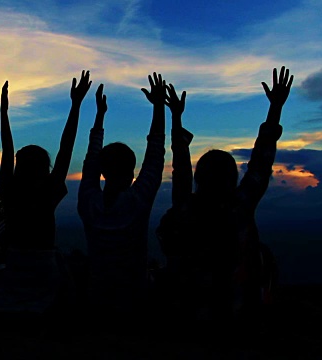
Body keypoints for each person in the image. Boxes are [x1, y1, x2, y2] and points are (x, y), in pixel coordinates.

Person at [156, 66, 293, 335]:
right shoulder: (239, 206)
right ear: (232, 178)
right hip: (238, 317)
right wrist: (275, 108)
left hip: (190, 317)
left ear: (200, 178)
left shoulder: (186, 208)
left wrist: (175, 118)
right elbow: (260, 164)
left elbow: (181, 170)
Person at [0, 72, 92, 325]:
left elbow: (6, 148)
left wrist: (1, 112)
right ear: (45, 168)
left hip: (16, 265)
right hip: (43, 267)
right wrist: (76, 104)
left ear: (19, 167)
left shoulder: (10, 190)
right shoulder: (48, 191)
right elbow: (66, 146)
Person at [77, 73, 167, 325]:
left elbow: (91, 160)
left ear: (103, 173)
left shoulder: (88, 202)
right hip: (135, 301)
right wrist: (159, 106)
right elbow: (155, 153)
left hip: (96, 300)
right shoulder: (137, 203)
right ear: (132, 174)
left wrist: (100, 115)